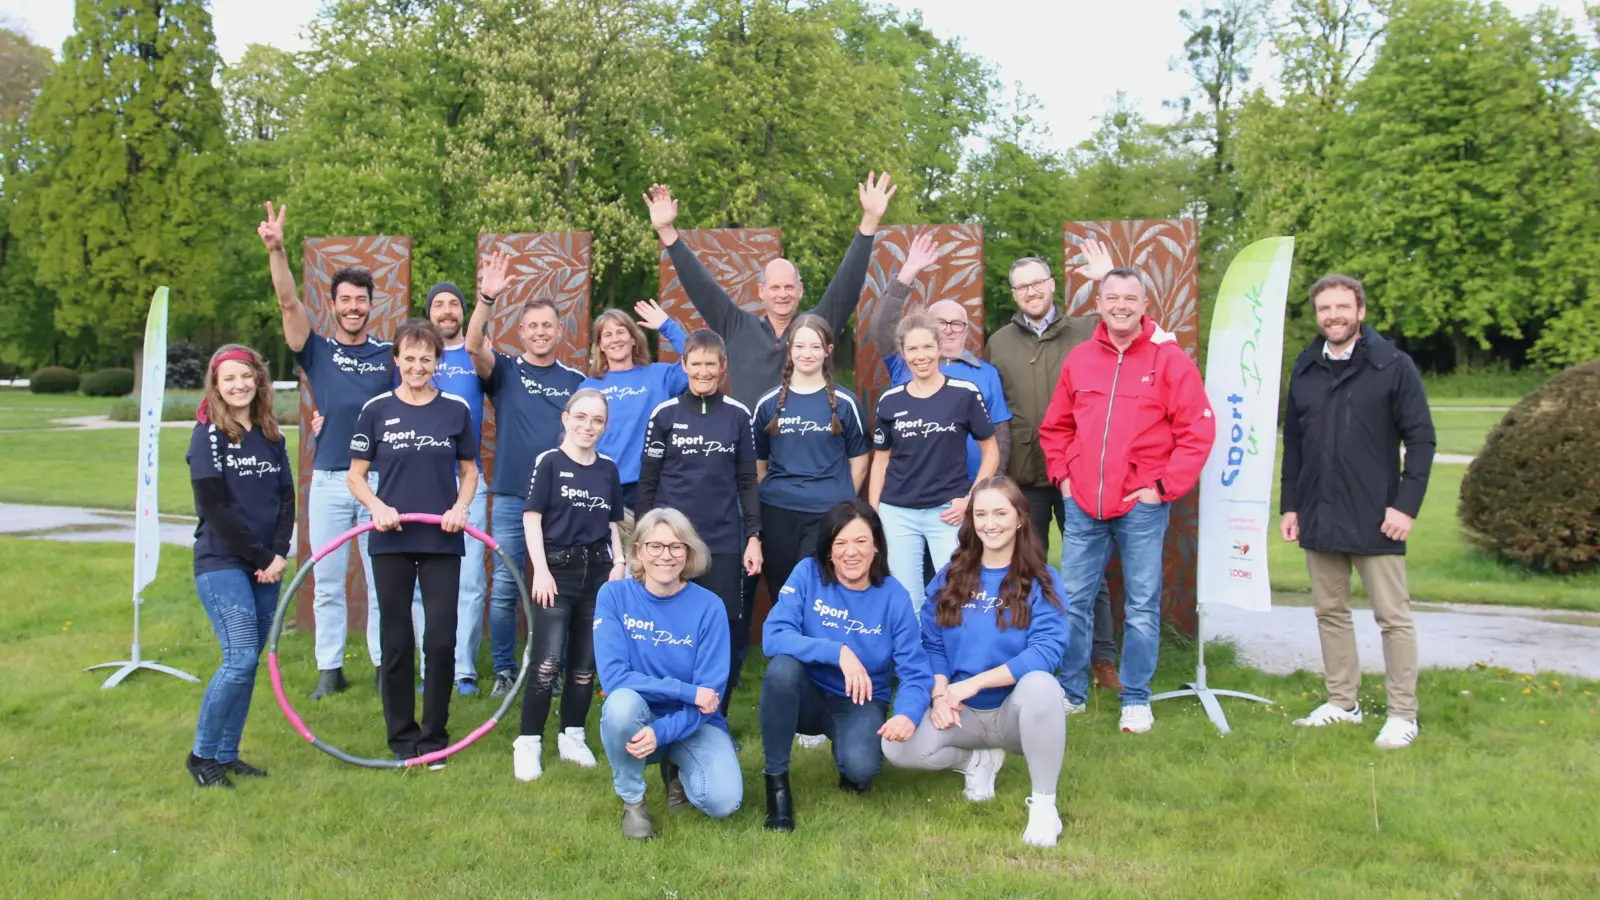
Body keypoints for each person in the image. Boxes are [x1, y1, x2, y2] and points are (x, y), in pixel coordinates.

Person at [1038, 268, 1216, 734]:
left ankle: (1136, 696)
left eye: (1129, 298)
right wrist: (1062, 478)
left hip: (1141, 505)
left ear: (1143, 304)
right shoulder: (1080, 359)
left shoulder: (1170, 359)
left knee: (1140, 604)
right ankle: (1071, 691)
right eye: (1111, 296)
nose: (1120, 305)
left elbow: (1198, 430)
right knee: (1073, 599)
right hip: (1083, 505)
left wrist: (1161, 488)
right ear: (1098, 303)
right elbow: (1055, 427)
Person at [1281, 274, 1435, 750]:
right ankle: (1342, 703)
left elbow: (1422, 440)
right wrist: (1290, 505)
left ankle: (1403, 714)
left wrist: (1405, 507)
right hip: (1320, 514)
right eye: (1325, 308)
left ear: (1361, 311)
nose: (1334, 315)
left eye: (1342, 307)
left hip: (1378, 517)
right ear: (1317, 315)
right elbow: (1296, 445)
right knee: (1330, 612)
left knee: (1393, 617)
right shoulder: (1305, 369)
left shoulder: (1393, 365)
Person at [881, 476, 1070, 848]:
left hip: (1014, 714)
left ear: (1019, 518)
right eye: (981, 514)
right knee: (896, 748)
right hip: (961, 712)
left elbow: (1046, 651)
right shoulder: (951, 577)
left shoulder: (1041, 581)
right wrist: (940, 694)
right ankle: (976, 763)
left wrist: (973, 683)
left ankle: (1045, 806)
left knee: (1043, 685)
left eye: (1000, 512)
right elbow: (931, 642)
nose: (990, 523)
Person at [259, 201, 392, 700]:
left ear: (370, 304)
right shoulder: (316, 349)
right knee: (328, 581)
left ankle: (384, 669)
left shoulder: (388, 355)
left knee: (382, 584)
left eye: (361, 299)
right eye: (345, 300)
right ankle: (328, 672)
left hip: (379, 484)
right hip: (330, 481)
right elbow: (289, 304)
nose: (353, 307)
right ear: (333, 304)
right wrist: (277, 251)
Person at [985, 248, 1122, 695]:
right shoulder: (999, 342)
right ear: (1014, 293)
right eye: (1021, 286)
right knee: (1026, 569)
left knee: (1089, 573)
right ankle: (1033, 657)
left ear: (1051, 285)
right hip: (1024, 477)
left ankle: (1102, 659)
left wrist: (1107, 278)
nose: (1030, 292)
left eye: (1037, 282)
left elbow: (1138, 328)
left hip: (1080, 473)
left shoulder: (1087, 329)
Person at [642, 173, 895, 409]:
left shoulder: (815, 327)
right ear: (761, 291)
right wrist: (667, 232)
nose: (782, 294)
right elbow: (700, 286)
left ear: (800, 290)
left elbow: (846, 285)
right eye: (775, 287)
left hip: (802, 447)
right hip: (752, 451)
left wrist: (870, 221)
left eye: (789, 287)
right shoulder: (736, 326)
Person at [349, 319, 479, 766]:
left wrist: (461, 507)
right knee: (398, 639)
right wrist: (377, 506)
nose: (418, 365)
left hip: (442, 536)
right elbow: (355, 474)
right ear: (397, 360)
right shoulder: (376, 410)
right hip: (392, 538)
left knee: (441, 639)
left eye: (427, 358)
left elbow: (470, 471)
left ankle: (434, 737)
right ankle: (402, 737)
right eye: (410, 357)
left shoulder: (455, 409)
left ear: (437, 363)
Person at [759, 499, 932, 831]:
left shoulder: (893, 596)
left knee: (861, 770)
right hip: (806, 693)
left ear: (877, 547)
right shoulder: (808, 574)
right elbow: (772, 636)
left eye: (861, 541)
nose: (850, 552)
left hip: (860, 700)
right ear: (828, 549)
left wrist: (908, 714)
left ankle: (848, 747)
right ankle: (777, 784)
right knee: (781, 669)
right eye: (841, 542)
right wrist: (837, 651)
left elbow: (915, 670)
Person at [464, 252, 586, 697]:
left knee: (560, 591)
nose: (539, 332)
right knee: (506, 589)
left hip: (564, 499)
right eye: (531, 326)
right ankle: (503, 672)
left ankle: (551, 672)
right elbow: (474, 345)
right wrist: (487, 298)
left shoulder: (576, 381)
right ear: (522, 333)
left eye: (546, 325)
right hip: (514, 496)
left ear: (558, 330)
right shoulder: (506, 371)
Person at [594, 507, 741, 839]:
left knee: (723, 802)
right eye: (655, 546)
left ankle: (677, 769)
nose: (666, 555)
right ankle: (633, 802)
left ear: (688, 553)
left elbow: (709, 699)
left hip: (692, 721)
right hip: (639, 715)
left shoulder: (710, 607)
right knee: (620, 706)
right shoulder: (614, 596)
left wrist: (662, 732)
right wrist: (685, 691)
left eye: (677, 546)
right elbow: (615, 678)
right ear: (638, 551)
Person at [185, 345, 295, 788]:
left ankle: (228, 755)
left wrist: (278, 552)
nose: (239, 385)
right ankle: (201, 755)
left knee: (247, 664)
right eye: (229, 378)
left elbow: (286, 498)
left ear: (259, 381)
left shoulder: (271, 435)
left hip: (267, 563)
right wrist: (260, 557)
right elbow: (214, 507)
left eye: (246, 376)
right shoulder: (207, 434)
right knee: (239, 657)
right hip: (223, 562)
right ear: (216, 384)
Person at [637, 329, 761, 716]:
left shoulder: (739, 416)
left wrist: (753, 537)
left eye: (712, 364)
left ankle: (714, 717)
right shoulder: (665, 414)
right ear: (685, 365)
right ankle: (669, 709)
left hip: (724, 541)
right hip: (671, 545)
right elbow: (648, 483)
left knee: (719, 630)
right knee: (671, 628)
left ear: (723, 367)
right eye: (697, 363)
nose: (704, 371)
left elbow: (747, 481)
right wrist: (642, 544)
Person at [511, 389, 627, 781]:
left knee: (584, 665)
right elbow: (531, 518)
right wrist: (539, 570)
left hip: (597, 574)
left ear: (605, 426)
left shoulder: (608, 469)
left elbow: (613, 523)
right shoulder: (549, 463)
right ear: (566, 419)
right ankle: (528, 742)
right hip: (555, 572)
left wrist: (620, 562)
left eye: (596, 420)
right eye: (581, 417)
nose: (587, 426)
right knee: (546, 664)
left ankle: (572, 736)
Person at [868, 313, 998, 611]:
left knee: (956, 594)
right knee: (906, 599)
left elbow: (991, 451)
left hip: (947, 513)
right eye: (912, 349)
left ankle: (953, 657)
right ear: (903, 353)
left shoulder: (964, 394)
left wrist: (970, 500)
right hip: (898, 513)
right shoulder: (890, 400)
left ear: (939, 348)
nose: (921, 356)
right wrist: (875, 513)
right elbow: (880, 462)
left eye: (927, 347)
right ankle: (912, 659)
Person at [871, 233, 1012, 484]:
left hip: (972, 486)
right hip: (913, 484)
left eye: (957, 324)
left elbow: (1001, 434)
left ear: (967, 331)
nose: (949, 329)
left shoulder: (986, 373)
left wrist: (993, 485)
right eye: (941, 323)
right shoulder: (906, 363)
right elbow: (883, 326)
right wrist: (909, 271)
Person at [751, 313, 871, 603]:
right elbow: (758, 464)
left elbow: (860, 461)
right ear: (790, 349)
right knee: (784, 591)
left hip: (826, 513)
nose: (807, 354)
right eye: (800, 346)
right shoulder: (768, 404)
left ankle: (824, 648)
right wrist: (779, 493)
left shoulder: (846, 403)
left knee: (822, 591)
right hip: (778, 511)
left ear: (828, 351)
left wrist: (840, 499)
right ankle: (786, 648)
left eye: (816, 347)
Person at [419, 280, 491, 695]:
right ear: (429, 312)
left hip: (467, 482)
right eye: (439, 304)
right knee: (416, 583)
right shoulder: (414, 357)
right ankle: (429, 667)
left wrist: (486, 299)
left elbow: (481, 336)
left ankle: (462, 669)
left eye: (453, 304)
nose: (446, 310)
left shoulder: (475, 354)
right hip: (416, 484)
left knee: (468, 582)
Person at [577, 301, 688, 524]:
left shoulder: (660, 376)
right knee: (610, 557)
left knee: (648, 555)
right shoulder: (588, 388)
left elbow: (698, 360)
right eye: (607, 335)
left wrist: (667, 326)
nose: (615, 338)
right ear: (600, 345)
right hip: (602, 485)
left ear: (633, 339)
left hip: (651, 487)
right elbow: (578, 440)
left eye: (621, 331)